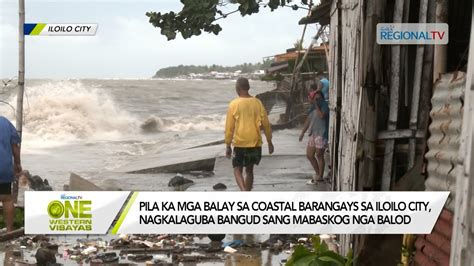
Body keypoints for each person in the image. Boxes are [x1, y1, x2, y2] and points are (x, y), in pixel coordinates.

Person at [225, 77, 274, 191]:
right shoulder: (258, 103)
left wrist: (228, 145)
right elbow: (266, 124)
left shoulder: (234, 104)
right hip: (255, 143)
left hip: (240, 143)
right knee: (249, 170)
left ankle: (244, 192)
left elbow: (229, 128)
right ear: (248, 87)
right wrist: (269, 141)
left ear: (237, 88)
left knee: (237, 169)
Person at [299, 91, 329, 184]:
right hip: (313, 134)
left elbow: (321, 116)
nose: (317, 100)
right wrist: (302, 132)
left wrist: (317, 106)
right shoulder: (312, 108)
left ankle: (320, 176)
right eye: (315, 98)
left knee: (319, 155)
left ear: (322, 98)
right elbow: (308, 121)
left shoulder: (324, 105)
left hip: (322, 134)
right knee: (309, 155)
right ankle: (318, 173)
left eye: (319, 98)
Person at [0, 116, 22, 232]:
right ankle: (9, 230)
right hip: (4, 167)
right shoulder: (5, 122)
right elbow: (15, 146)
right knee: (7, 199)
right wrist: (18, 164)